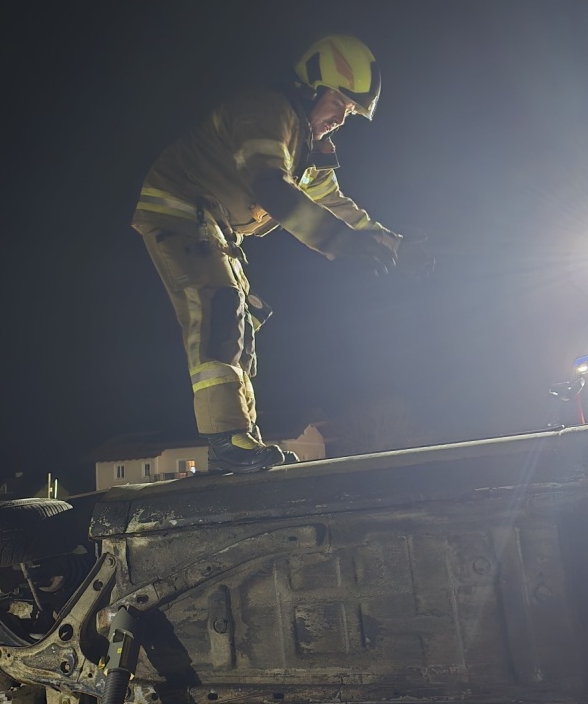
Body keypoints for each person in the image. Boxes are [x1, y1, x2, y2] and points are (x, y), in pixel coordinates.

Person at [132, 35, 403, 474]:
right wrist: (342, 245)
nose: (340, 119)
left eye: (350, 111)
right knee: (219, 309)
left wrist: (396, 246)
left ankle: (239, 439)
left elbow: (337, 205)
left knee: (241, 322)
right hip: (180, 209)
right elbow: (272, 189)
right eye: (338, 102)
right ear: (311, 88)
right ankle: (226, 440)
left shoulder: (306, 149)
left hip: (216, 226)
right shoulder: (265, 113)